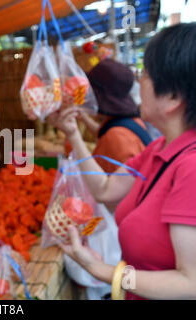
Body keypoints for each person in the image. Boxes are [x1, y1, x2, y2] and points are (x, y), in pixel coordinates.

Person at [48, 23, 196, 300]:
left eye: (145, 74)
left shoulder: (191, 168)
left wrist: (102, 270)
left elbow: (191, 284)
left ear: (173, 97)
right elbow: (104, 189)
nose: (139, 83)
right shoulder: (159, 149)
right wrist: (73, 135)